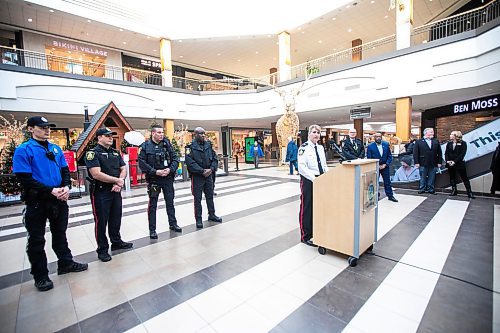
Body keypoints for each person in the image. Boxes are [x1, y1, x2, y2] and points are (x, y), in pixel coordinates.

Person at [13, 116, 88, 292]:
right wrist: (50, 190)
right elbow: (24, 178)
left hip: (58, 200)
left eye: (48, 127)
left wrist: (67, 187)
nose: (47, 130)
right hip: (37, 201)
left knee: (60, 233)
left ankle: (65, 263)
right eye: (42, 127)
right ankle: (40, 275)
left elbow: (65, 171)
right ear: (31, 129)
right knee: (37, 239)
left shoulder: (55, 149)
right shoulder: (24, 150)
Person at [85, 127, 133, 262]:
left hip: (115, 190)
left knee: (116, 217)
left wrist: (120, 182)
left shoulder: (115, 153)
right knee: (101, 221)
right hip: (101, 192)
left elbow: (123, 169)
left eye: (111, 136)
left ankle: (116, 242)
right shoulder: (92, 153)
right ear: (99, 138)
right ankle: (102, 249)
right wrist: (116, 180)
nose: (110, 138)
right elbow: (96, 174)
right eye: (107, 136)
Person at [139, 125, 182, 239]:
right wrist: (155, 171)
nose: (161, 134)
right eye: (159, 132)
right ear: (153, 133)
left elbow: (175, 159)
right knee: (153, 205)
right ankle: (152, 230)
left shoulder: (167, 145)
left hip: (167, 178)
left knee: (170, 202)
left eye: (162, 132)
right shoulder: (145, 146)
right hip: (154, 179)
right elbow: (142, 163)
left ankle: (173, 224)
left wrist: (170, 169)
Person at [185, 127, 222, 228]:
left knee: (210, 196)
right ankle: (199, 219)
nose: (203, 135)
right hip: (197, 176)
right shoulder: (190, 147)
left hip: (209, 175)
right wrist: (201, 171)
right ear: (195, 135)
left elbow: (215, 158)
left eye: (204, 133)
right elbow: (190, 162)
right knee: (197, 199)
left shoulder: (208, 145)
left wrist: (211, 169)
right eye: (201, 134)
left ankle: (212, 215)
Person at [298, 124, 328, 247]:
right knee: (307, 207)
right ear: (309, 134)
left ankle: (316, 231)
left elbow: (324, 165)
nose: (316, 134)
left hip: (320, 179)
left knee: (319, 207)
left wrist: (327, 175)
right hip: (308, 180)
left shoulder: (320, 148)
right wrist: (313, 178)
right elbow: (302, 167)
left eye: (318, 133)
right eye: (314, 132)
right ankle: (306, 236)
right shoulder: (303, 148)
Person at [367, 133, 398, 202]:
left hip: (385, 166)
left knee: (387, 182)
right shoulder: (370, 146)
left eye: (379, 136)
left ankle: (390, 196)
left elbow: (389, 156)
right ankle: (375, 196)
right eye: (377, 137)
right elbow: (369, 158)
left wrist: (385, 164)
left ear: (381, 137)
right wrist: (377, 165)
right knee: (375, 182)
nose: (378, 138)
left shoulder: (386, 144)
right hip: (375, 167)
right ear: (374, 138)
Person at [445, 131, 474, 198]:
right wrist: (448, 161)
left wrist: (454, 161)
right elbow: (446, 153)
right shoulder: (449, 143)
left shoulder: (463, 143)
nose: (450, 135)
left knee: (464, 178)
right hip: (450, 164)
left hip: (459, 164)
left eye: (452, 134)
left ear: (456, 136)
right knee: (452, 177)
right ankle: (454, 190)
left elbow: (462, 154)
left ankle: (469, 192)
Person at [413, 128, 443, 194]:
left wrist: (439, 162)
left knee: (432, 176)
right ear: (426, 133)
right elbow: (415, 153)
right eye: (431, 132)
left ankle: (431, 189)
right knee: (423, 176)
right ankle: (422, 188)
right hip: (422, 162)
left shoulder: (436, 141)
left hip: (433, 162)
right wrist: (416, 162)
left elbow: (439, 152)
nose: (433, 133)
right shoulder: (419, 142)